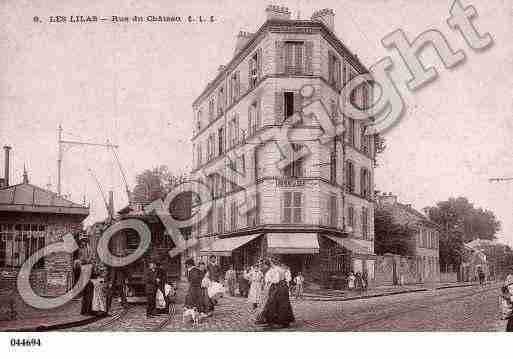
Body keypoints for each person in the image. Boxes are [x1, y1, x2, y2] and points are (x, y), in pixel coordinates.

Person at [256, 257, 295, 329]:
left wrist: (269, 282)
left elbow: (276, 280)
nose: (265, 267)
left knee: (276, 303)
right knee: (278, 303)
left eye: (265, 265)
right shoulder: (277, 269)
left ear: (270, 264)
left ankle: (280, 321)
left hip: (278, 287)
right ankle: (276, 321)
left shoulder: (276, 270)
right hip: (280, 287)